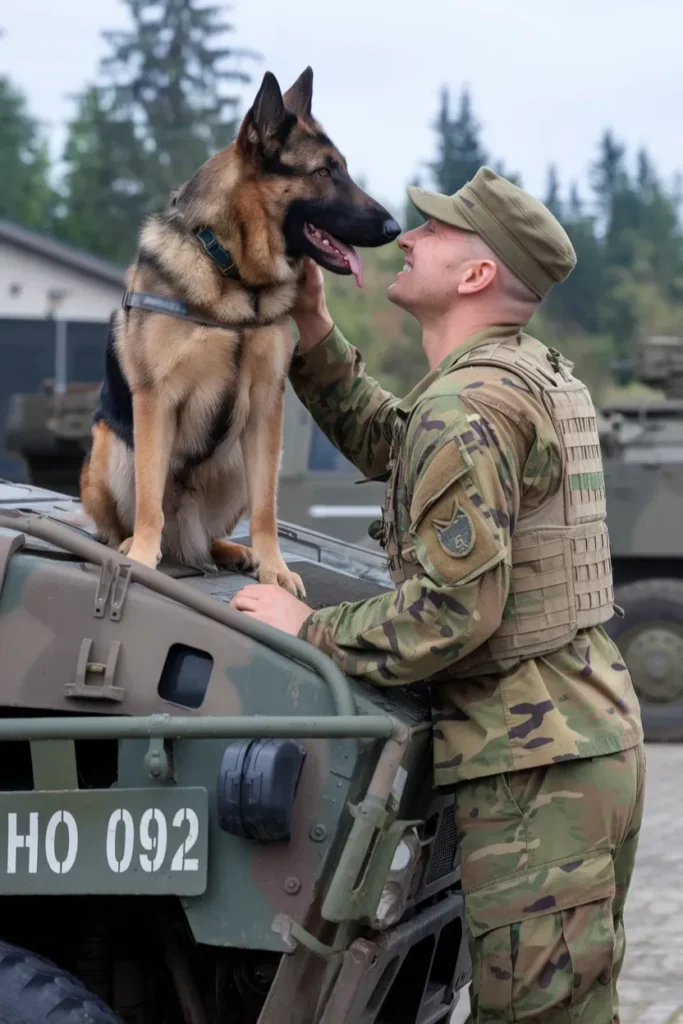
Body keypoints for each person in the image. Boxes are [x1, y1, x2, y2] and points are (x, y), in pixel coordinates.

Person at [231, 166, 645, 1023]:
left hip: (537, 767)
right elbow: (398, 444)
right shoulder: (512, 373)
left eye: (433, 231)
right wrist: (314, 335)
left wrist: (311, 625)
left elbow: (452, 613)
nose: (407, 238)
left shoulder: (469, 403)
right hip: (570, 738)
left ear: (475, 275)